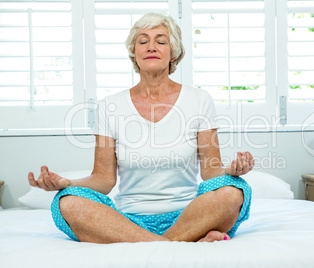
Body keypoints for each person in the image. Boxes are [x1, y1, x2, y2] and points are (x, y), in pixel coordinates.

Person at [27, 13, 254, 243]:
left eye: (161, 41)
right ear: (134, 54)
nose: (151, 47)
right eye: (143, 41)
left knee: (233, 190)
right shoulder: (109, 106)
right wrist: (68, 183)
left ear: (173, 52)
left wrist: (231, 171)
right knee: (66, 200)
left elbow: (210, 172)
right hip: (127, 222)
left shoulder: (199, 100)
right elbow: (104, 179)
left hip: (190, 215)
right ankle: (181, 242)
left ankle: (156, 242)